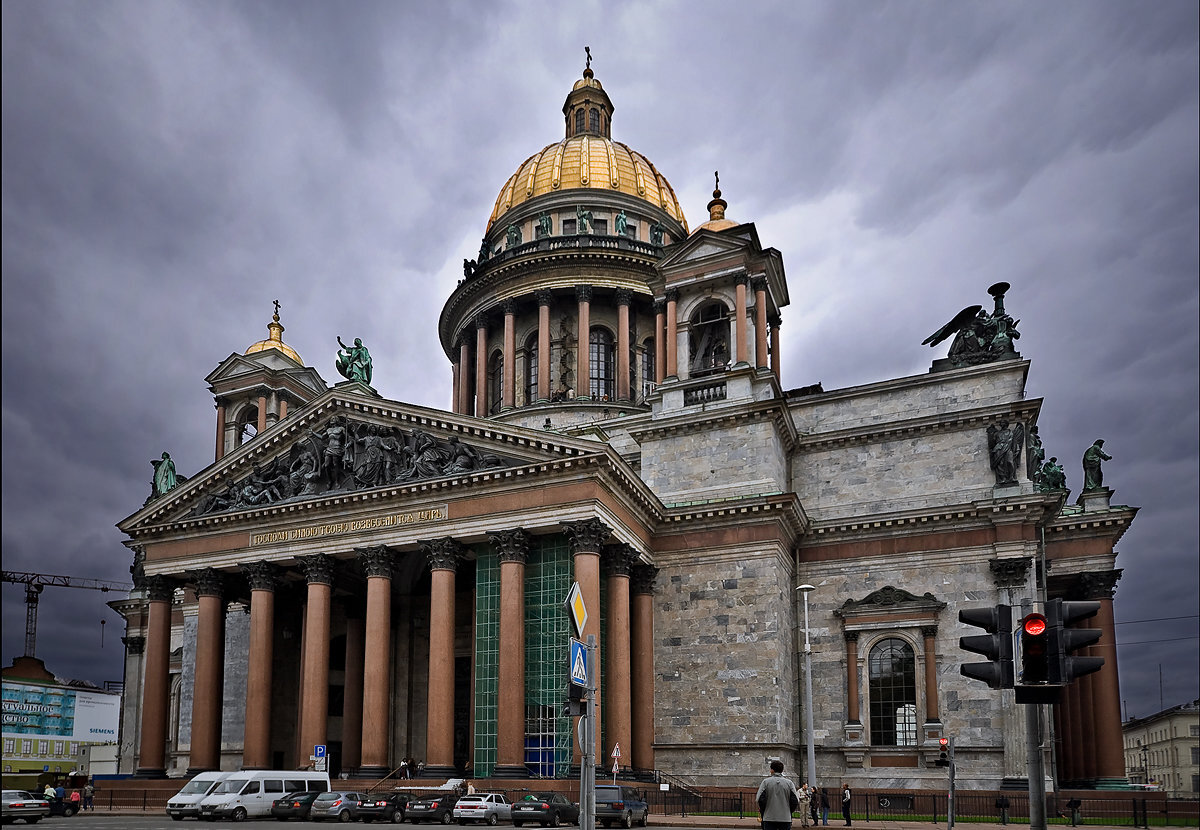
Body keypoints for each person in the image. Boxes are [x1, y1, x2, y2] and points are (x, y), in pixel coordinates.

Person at [756, 760, 799, 830]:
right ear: (782, 770)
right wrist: (788, 811)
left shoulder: (765, 782)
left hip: (769, 817)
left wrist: (764, 811)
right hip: (785, 818)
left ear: (772, 770)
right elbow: (795, 800)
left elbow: (760, 799)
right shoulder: (789, 783)